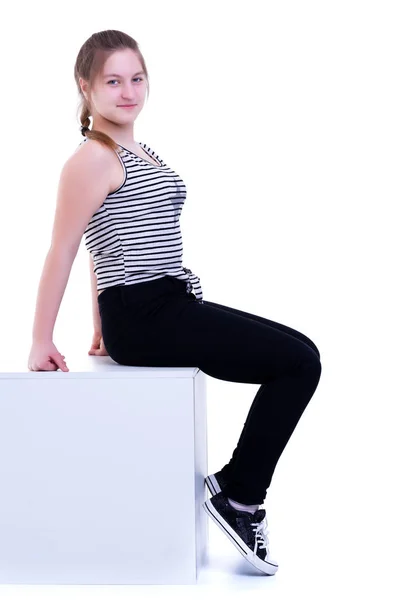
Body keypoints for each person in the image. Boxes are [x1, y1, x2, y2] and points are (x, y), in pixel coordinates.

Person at [27, 29, 322, 576]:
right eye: (112, 81)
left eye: (136, 78)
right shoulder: (91, 159)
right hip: (144, 315)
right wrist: (42, 339)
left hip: (161, 305)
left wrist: (98, 327)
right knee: (300, 364)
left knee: (302, 351)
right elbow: (65, 248)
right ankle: (239, 496)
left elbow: (105, 244)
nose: (128, 91)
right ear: (84, 86)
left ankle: (236, 484)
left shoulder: (142, 150)